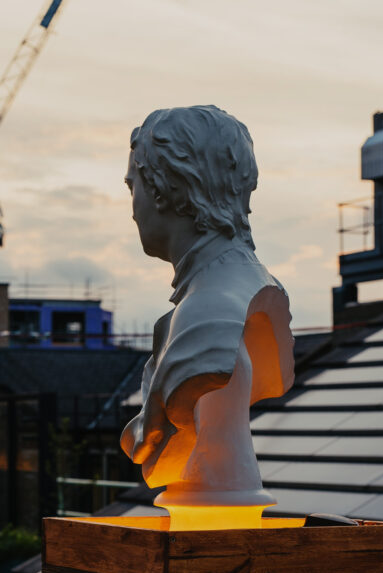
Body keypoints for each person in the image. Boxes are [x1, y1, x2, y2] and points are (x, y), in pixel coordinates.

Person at [120, 105, 295, 530]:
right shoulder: (242, 288)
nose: (132, 210)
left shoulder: (207, 311)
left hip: (215, 514)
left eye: (132, 187)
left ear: (164, 188)